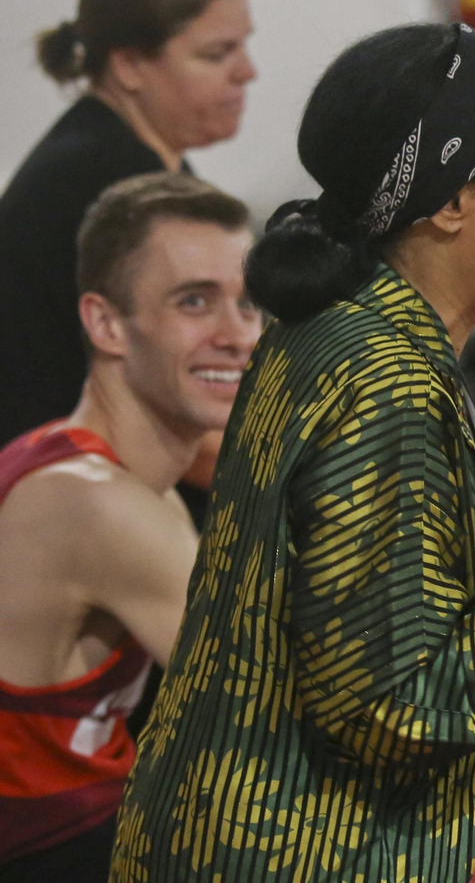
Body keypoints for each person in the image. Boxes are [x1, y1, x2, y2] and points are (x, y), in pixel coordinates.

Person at [110, 23, 475, 883]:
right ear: (452, 201)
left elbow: (368, 585)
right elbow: (402, 708)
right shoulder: (384, 377)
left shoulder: (335, 330)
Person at [0, 173, 261, 883]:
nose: (238, 335)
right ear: (106, 322)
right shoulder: (91, 502)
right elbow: (290, 708)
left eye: (248, 302)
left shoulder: (125, 482)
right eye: (194, 300)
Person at [0, 0, 255, 450]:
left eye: (244, 46)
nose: (247, 72)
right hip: (72, 505)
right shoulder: (106, 184)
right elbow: (193, 431)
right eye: (216, 54)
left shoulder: (133, 157)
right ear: (129, 65)